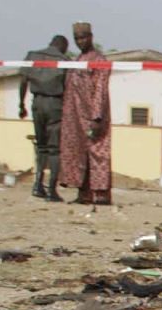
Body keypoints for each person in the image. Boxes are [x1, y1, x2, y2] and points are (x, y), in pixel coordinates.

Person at [59, 22, 112, 206]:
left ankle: (101, 195)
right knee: (77, 153)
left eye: (83, 37)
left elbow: (100, 90)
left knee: (97, 153)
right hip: (74, 114)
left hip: (93, 114)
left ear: (91, 37)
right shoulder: (77, 61)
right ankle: (84, 194)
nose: (80, 41)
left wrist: (97, 116)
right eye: (77, 38)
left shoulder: (99, 60)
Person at [17, 34, 69, 202]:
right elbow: (68, 88)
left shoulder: (33, 55)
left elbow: (23, 81)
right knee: (54, 149)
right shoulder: (65, 61)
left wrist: (21, 105)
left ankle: (37, 185)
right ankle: (52, 190)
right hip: (55, 105)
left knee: (41, 147)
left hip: (37, 103)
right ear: (63, 47)